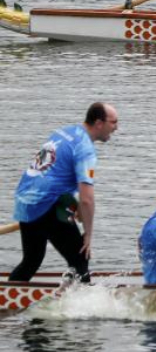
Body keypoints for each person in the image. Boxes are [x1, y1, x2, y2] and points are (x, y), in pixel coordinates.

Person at [9, 103, 118, 282]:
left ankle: (6, 298)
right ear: (99, 123)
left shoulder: (65, 131)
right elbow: (87, 199)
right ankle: (85, 305)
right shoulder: (84, 149)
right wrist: (88, 234)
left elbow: (59, 183)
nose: (116, 127)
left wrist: (77, 210)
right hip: (46, 203)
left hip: (25, 199)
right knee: (80, 259)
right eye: (114, 122)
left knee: (32, 260)